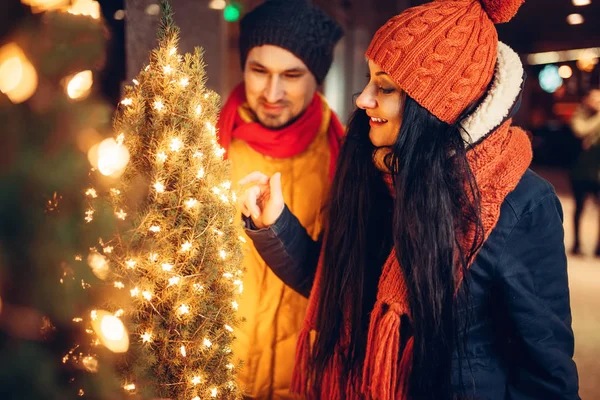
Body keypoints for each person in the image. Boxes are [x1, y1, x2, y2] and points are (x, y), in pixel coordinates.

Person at [237, 0, 580, 399]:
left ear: (437, 107)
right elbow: (336, 285)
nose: (363, 99)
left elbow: (545, 372)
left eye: (385, 87)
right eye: (368, 80)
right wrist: (276, 226)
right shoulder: (373, 172)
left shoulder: (520, 204)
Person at [215, 0, 344, 398]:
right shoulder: (204, 149)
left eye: (291, 74)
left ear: (316, 78)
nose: (272, 92)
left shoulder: (345, 158)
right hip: (219, 373)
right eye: (259, 71)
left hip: (306, 379)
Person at [569, 89, 600, 256]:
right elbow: (580, 130)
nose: (596, 102)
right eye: (594, 99)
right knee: (579, 207)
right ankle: (576, 244)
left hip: (597, 172)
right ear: (586, 99)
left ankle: (599, 246)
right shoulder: (579, 115)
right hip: (580, 171)